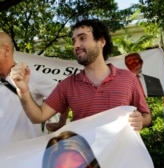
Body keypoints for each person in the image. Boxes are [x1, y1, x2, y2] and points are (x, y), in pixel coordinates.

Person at [10, 19, 151, 131]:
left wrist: (141, 121)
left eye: (82, 38)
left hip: (120, 161)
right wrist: (23, 91)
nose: (76, 45)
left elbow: (147, 116)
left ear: (101, 41)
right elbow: (38, 116)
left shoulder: (128, 78)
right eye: (74, 41)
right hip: (84, 163)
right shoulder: (67, 85)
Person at [0, 31, 58, 145]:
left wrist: (60, 123)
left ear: (6, 50)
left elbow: (64, 95)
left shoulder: (32, 76)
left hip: (25, 157)